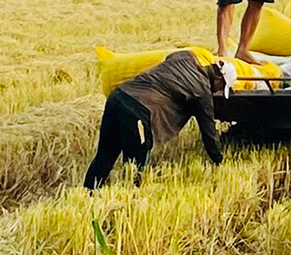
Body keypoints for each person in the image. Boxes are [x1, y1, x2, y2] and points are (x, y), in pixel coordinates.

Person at [84, 50, 224, 189]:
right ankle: (131, 200)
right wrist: (218, 160)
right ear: (218, 78)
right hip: (138, 111)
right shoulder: (201, 92)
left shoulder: (186, 57)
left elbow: (173, 56)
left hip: (118, 96)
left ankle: (89, 191)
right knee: (136, 165)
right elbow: (208, 132)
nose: (218, 91)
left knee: (105, 154)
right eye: (222, 87)